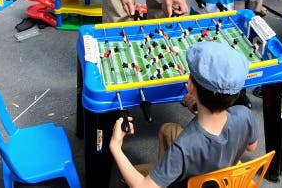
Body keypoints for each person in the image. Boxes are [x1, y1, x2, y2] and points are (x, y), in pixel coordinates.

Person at [109, 41, 258, 188]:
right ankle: (163, 172)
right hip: (223, 180)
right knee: (167, 129)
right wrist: (197, 107)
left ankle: (163, 178)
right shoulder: (244, 114)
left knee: (126, 176)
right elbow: (252, 147)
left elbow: (143, 187)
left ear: (190, 85)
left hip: (188, 184)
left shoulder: (184, 146)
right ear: (235, 92)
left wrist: (115, 146)